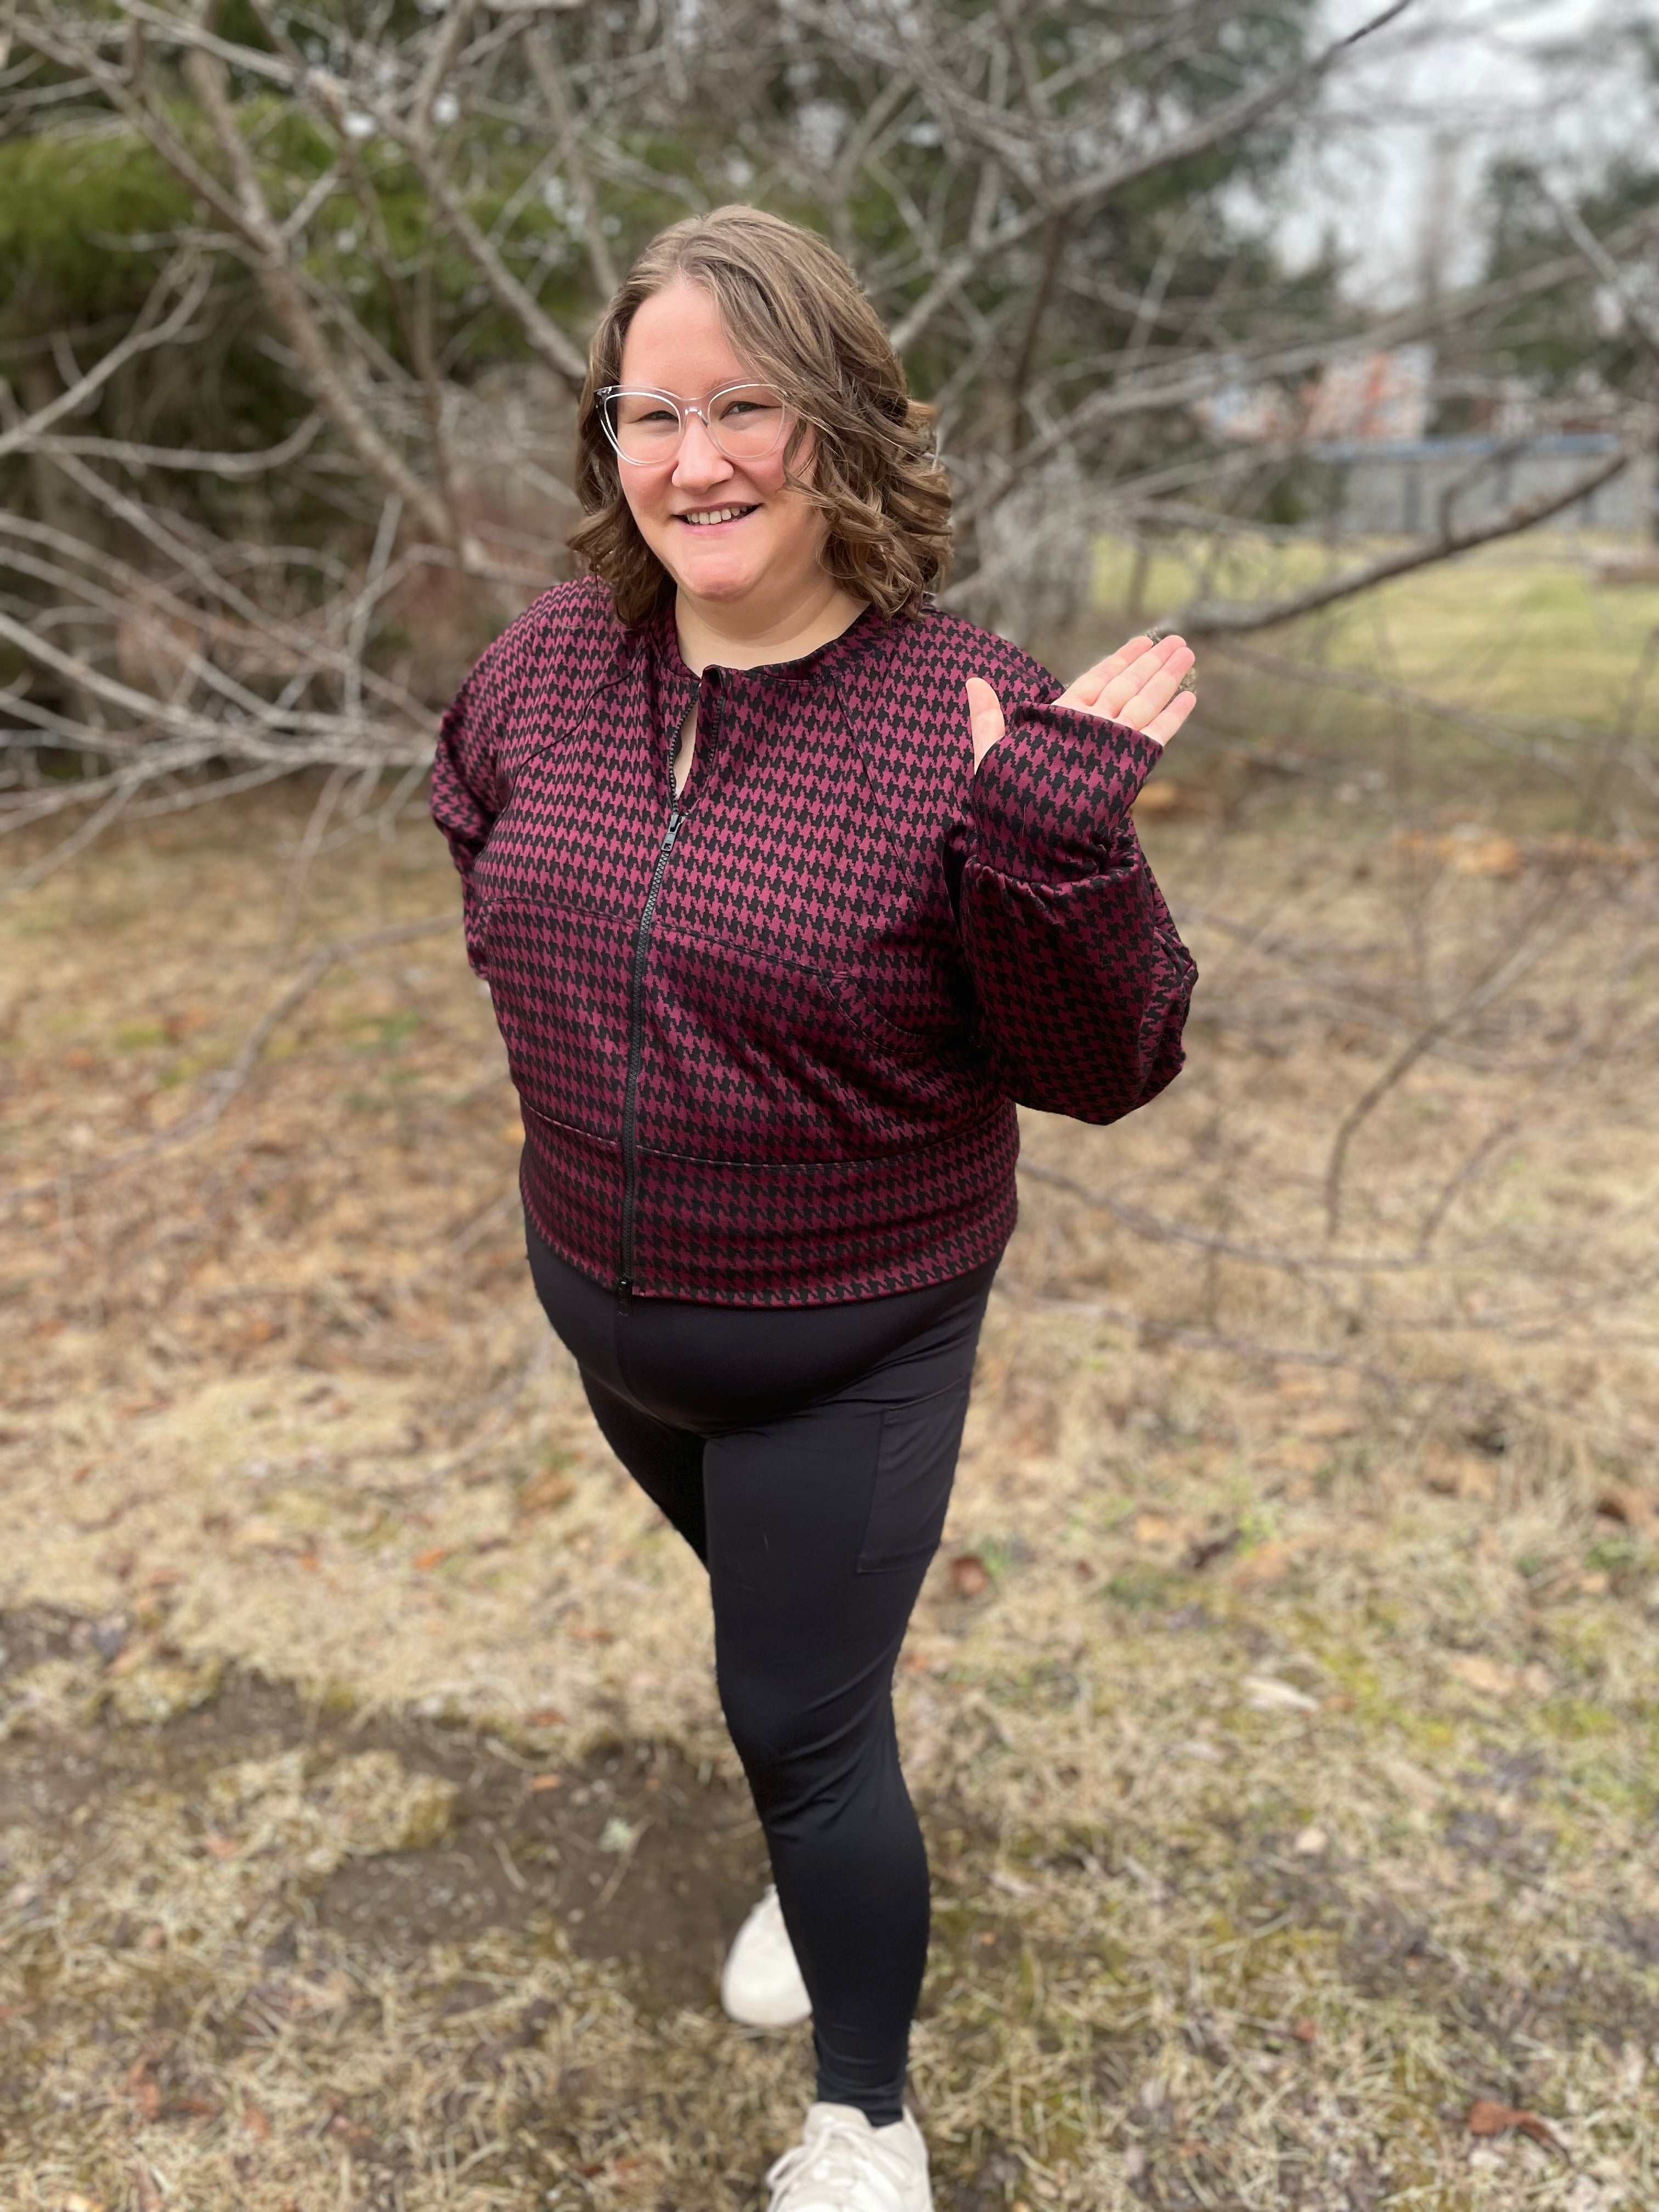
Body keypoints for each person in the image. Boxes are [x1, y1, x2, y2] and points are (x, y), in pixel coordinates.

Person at [430, 204, 1197, 2212]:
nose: (696, 461)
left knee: (796, 1707)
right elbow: (479, 845)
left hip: (847, 1344)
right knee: (802, 1688)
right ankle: (815, 1852)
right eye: (651, 412)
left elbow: (1109, 1065)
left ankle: (870, 2124)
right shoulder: (548, 666)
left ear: (840, 422)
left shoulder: (967, 709)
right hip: (605, 1315)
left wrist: (1051, 852)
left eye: (744, 406)